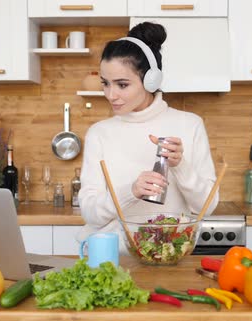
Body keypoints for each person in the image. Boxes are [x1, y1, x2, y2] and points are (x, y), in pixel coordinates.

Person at [77, 22, 219, 253]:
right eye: (105, 83)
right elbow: (91, 214)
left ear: (151, 80)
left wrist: (180, 166)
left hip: (166, 258)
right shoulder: (99, 133)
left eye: (122, 84)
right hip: (111, 261)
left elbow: (207, 206)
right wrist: (130, 192)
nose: (111, 95)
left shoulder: (190, 125)